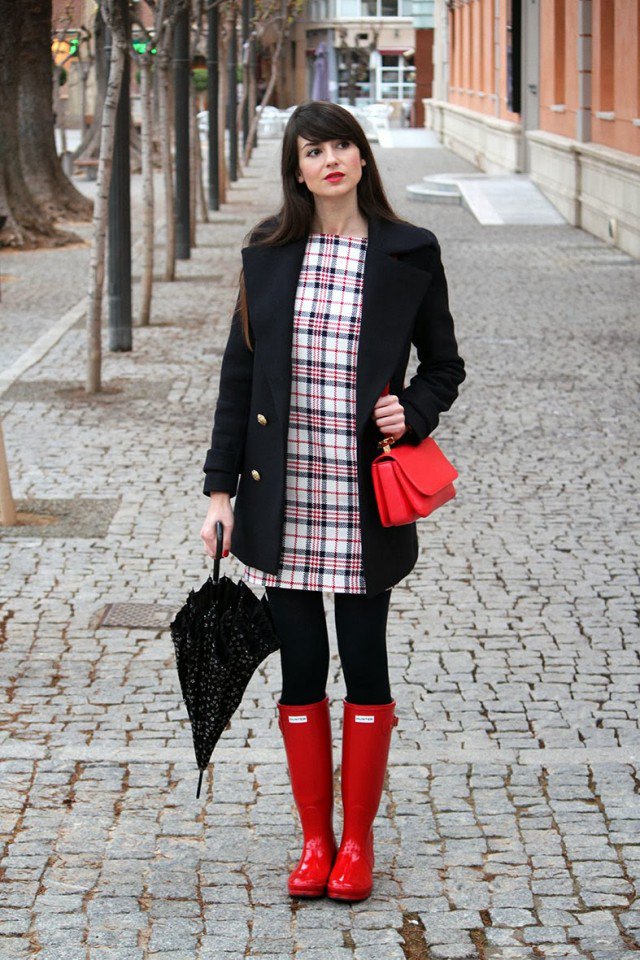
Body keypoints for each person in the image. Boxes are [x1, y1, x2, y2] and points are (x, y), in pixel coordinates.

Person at [199, 100, 466, 901]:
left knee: (366, 660)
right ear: (298, 169)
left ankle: (359, 843)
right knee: (302, 668)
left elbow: (444, 365)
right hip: (282, 493)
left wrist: (410, 412)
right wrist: (219, 493)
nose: (331, 161)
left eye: (341, 145)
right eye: (314, 151)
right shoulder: (269, 256)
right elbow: (237, 379)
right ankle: (314, 841)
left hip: (359, 498)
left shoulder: (408, 251)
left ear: (361, 156)